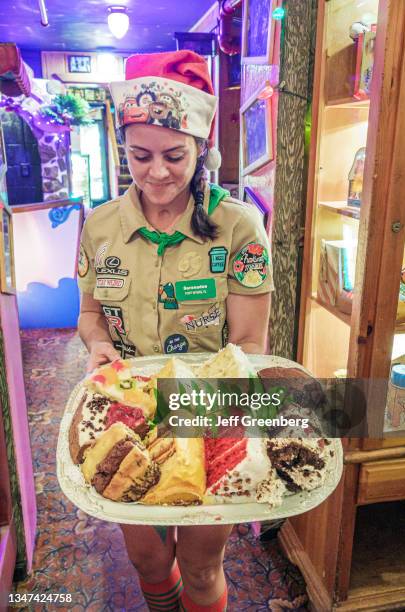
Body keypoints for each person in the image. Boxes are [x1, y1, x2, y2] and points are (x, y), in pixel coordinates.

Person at [77, 50, 273, 612]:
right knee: (148, 561)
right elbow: (89, 317)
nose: (157, 172)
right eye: (140, 156)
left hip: (209, 416)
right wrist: (98, 346)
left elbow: (251, 347)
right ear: (124, 151)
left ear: (202, 151)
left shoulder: (237, 226)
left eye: (174, 156)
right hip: (127, 418)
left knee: (201, 564)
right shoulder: (101, 227)